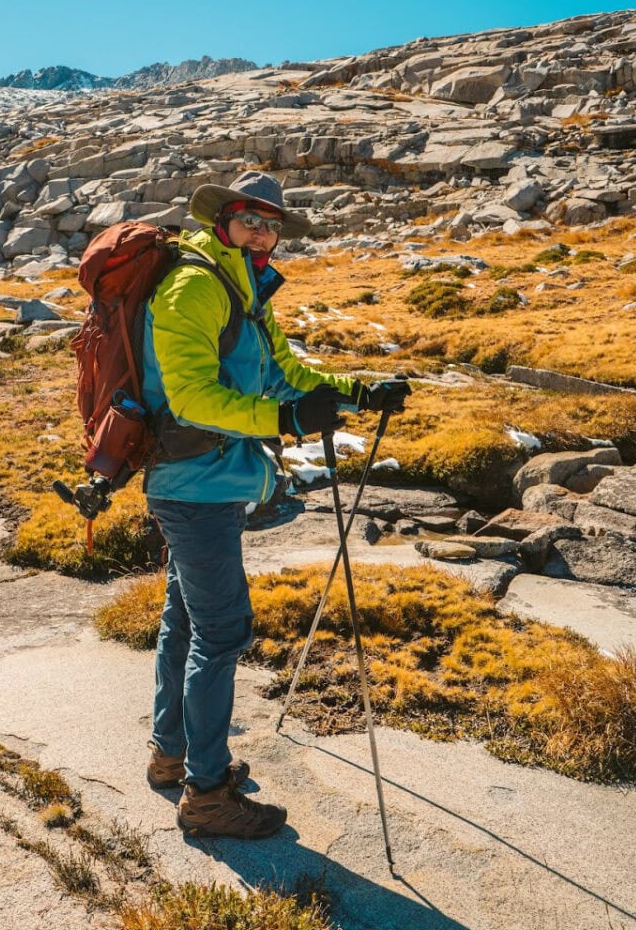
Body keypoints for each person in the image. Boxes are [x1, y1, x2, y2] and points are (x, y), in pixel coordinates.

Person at [140, 171, 409, 838]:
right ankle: (206, 794)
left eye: (271, 222)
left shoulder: (243, 287)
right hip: (192, 484)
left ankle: (170, 755)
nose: (263, 231)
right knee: (222, 633)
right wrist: (286, 421)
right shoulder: (195, 284)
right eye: (249, 219)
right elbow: (191, 398)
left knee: (186, 620)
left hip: (211, 480)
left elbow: (288, 372)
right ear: (221, 221)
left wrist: (358, 392)